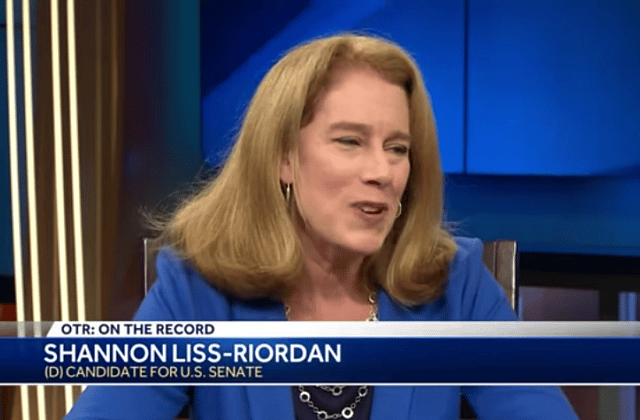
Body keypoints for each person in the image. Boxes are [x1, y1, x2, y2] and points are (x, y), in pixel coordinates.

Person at [66, 34, 579, 419]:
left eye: (397, 148)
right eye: (349, 141)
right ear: (283, 159)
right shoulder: (196, 288)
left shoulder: (456, 283)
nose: (382, 172)